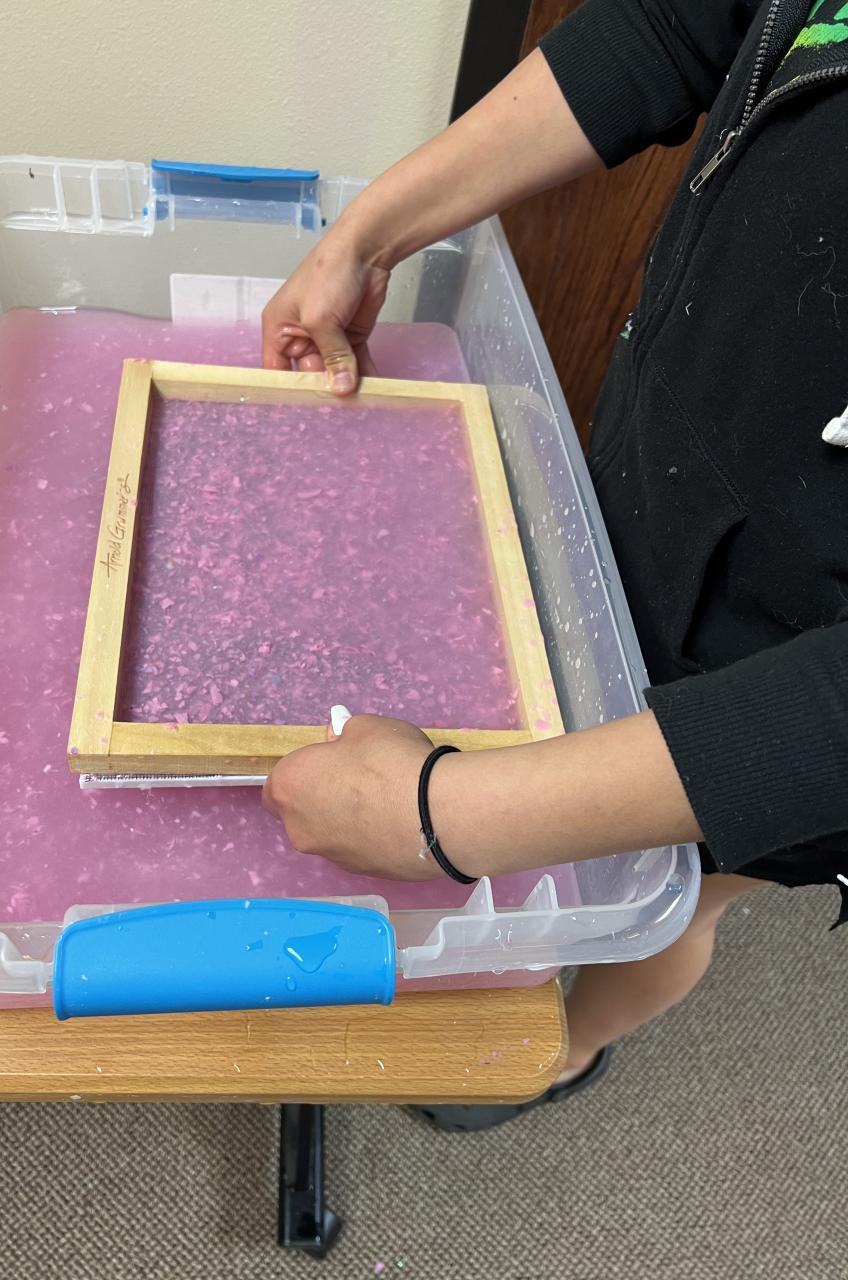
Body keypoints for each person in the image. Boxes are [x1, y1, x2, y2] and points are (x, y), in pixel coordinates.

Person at [260, 0, 848, 1128]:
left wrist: (443, 815)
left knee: (675, 893)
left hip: (788, 685)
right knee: (570, 742)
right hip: (662, 487)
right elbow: (676, 27)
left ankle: (566, 1049)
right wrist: (370, 232)